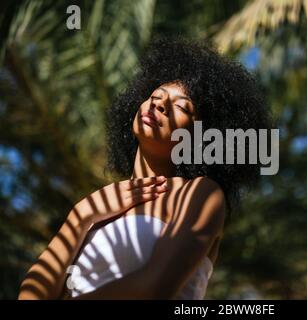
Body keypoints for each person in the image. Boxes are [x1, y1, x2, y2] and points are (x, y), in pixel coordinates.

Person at [18, 37, 272, 299]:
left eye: (183, 106)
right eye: (155, 96)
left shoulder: (201, 193)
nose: (159, 104)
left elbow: (151, 289)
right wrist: (80, 216)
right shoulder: (97, 206)